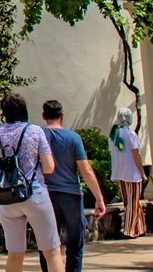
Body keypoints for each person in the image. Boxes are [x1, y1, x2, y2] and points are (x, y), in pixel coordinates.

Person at [0, 92, 66, 272]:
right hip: (34, 194)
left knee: (15, 253)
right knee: (52, 252)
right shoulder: (34, 131)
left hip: (8, 199)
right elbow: (49, 167)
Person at [36, 100, 106, 272]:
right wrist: (99, 197)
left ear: (43, 116)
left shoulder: (38, 135)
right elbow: (86, 169)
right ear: (62, 116)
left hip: (47, 195)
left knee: (48, 243)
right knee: (75, 242)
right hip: (71, 196)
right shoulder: (73, 138)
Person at [109, 107, 146, 238]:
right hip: (132, 173)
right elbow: (136, 155)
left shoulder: (113, 135)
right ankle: (129, 230)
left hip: (120, 172)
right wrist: (142, 172)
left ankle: (140, 227)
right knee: (133, 202)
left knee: (129, 201)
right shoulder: (131, 135)